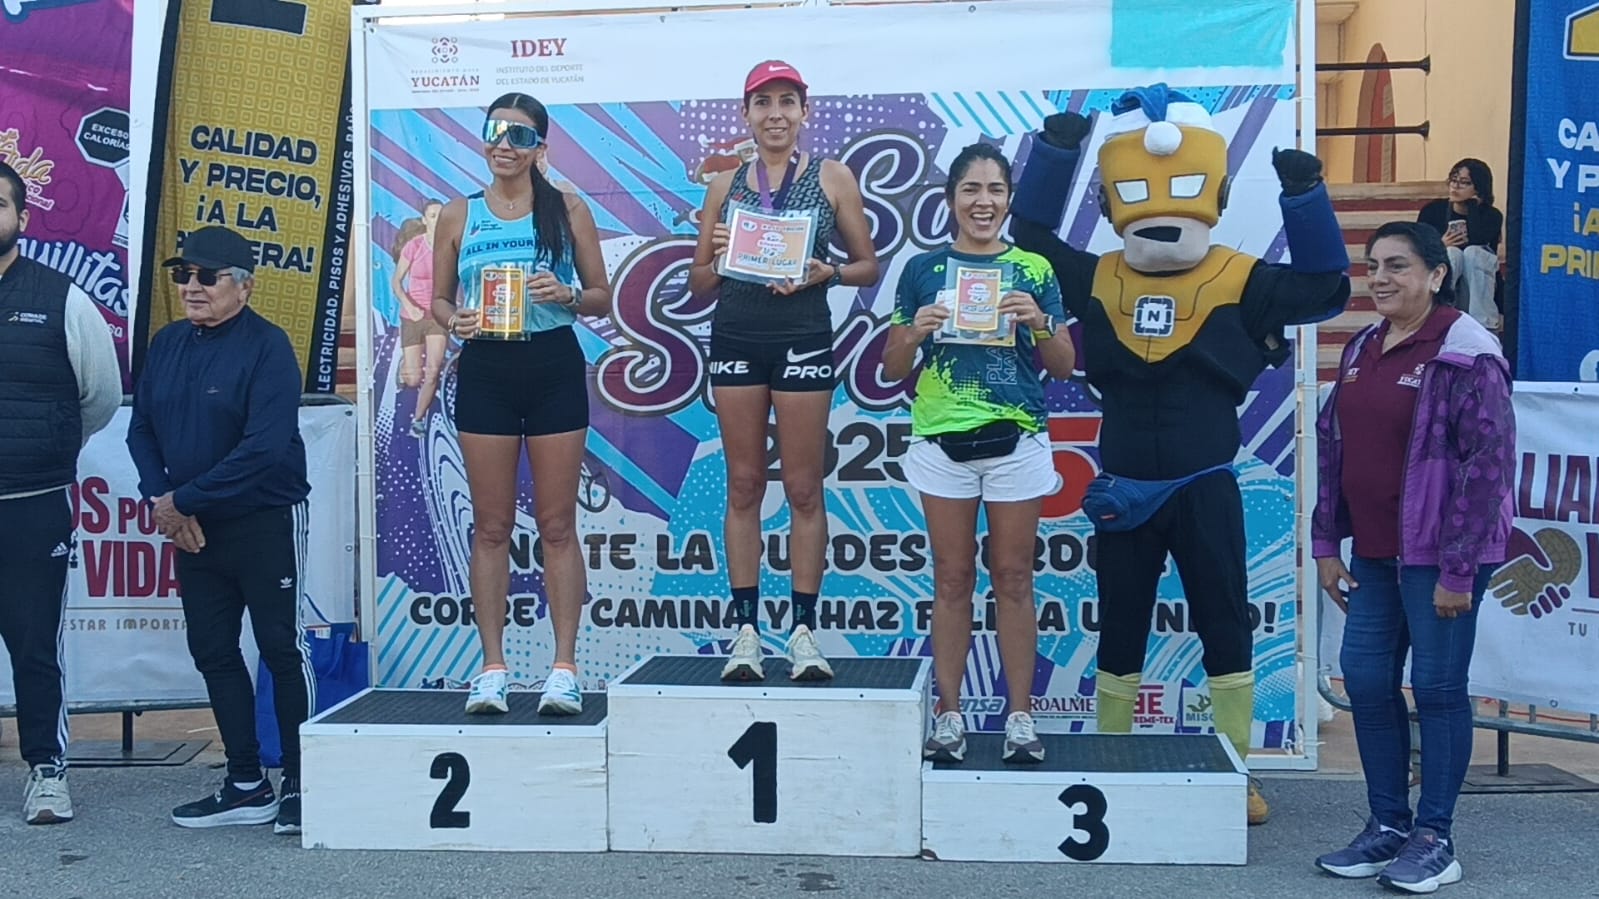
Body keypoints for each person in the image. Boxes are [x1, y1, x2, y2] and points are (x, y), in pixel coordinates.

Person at [1009, 85, 1351, 823]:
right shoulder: (1099, 276)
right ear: (1110, 205)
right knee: (1119, 622)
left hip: (1204, 483)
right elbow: (1029, 241)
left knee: (1224, 619)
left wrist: (1305, 197)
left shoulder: (1241, 279)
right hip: (1125, 487)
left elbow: (1325, 288)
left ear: (1216, 199)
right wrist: (1057, 153)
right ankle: (1108, 757)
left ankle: (1236, 767)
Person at [1312, 221, 1514, 893]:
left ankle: (1435, 838)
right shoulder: (1362, 346)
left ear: (1435, 274)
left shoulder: (1465, 351)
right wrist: (1326, 542)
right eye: (1373, 265)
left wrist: (1459, 569)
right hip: (1372, 554)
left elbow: (1487, 466)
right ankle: (1387, 825)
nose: (1379, 278)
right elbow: (1334, 448)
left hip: (1441, 559)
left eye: (1397, 265)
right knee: (1366, 681)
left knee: (1435, 688)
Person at [882, 144, 1073, 764]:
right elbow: (891, 367)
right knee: (952, 577)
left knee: (1014, 577)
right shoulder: (922, 270)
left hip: (1017, 440)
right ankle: (949, 715)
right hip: (941, 440)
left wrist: (1039, 321)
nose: (982, 201)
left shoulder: (1034, 269)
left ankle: (1020, 717)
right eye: (970, 189)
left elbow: (1063, 365)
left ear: (1009, 200)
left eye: (994, 189)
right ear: (950, 200)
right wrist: (915, 331)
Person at [687, 60, 878, 682]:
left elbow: (867, 265)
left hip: (802, 336)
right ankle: (745, 631)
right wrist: (719, 257)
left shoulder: (831, 176)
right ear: (746, 113)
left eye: (786, 102)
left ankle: (802, 632)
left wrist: (829, 272)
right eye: (763, 102)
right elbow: (699, 282)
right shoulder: (724, 185)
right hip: (738, 336)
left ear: (804, 111)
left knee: (802, 488)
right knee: (743, 485)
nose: (775, 114)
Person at [429, 93, 612, 716]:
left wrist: (566, 293)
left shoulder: (568, 208)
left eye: (520, 136)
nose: (504, 144)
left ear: (540, 148)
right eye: (495, 131)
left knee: (558, 525)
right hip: (487, 370)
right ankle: (492, 668)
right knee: (490, 527)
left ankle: (564, 668)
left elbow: (600, 296)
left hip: (552, 365)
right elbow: (439, 301)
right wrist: (455, 321)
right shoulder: (459, 213)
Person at [127, 225, 313, 835]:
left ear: (245, 286)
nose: (192, 286)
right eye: (184, 275)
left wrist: (181, 501)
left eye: (208, 276)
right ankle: (244, 782)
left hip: (261, 519)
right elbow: (140, 429)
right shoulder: (167, 343)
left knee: (280, 648)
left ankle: (303, 782)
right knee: (212, 649)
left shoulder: (269, 347)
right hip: (194, 527)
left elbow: (264, 447)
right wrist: (165, 500)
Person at [0, 161, 121, 824]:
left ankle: (46, 770)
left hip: (30, 505)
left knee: (34, 647)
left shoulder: (62, 298)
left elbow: (99, 397)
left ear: (22, 218)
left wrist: (46, 444)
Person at [1417, 158, 1502, 331]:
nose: (1455, 187)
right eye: (1453, 180)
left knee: (1473, 252)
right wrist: (1440, 245)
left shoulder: (1492, 216)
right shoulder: (1432, 211)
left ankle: (1483, 327)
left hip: (1478, 288)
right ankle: (1438, 315)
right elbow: (1417, 250)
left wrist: (1473, 208)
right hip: (1448, 282)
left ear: (1478, 188)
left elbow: (1480, 241)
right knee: (1452, 253)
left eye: (1464, 183)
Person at [391, 199, 448, 436]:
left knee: (433, 371)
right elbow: (396, 282)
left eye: (441, 215)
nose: (438, 220)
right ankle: (404, 367)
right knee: (413, 379)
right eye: (433, 216)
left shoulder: (451, 246)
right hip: (412, 315)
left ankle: (418, 419)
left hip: (438, 315)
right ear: (425, 220)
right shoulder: (414, 246)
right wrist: (409, 305)